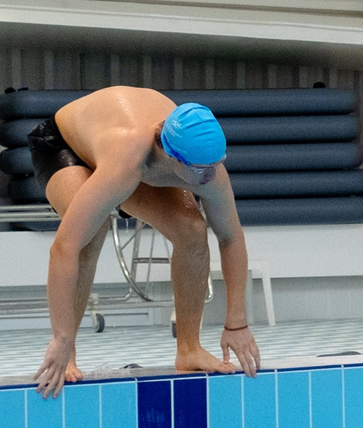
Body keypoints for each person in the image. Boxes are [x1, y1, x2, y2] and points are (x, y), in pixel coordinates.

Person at [29, 87, 261, 397]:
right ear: (171, 156)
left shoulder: (207, 168)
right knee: (88, 234)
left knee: (192, 229)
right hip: (65, 144)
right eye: (200, 171)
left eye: (214, 166)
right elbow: (63, 248)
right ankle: (68, 353)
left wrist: (236, 323)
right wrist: (61, 338)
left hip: (130, 158)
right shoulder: (128, 156)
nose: (209, 178)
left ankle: (189, 349)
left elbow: (230, 237)